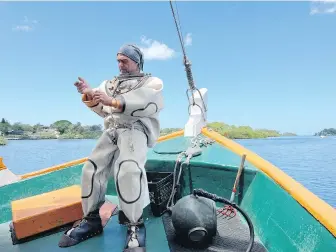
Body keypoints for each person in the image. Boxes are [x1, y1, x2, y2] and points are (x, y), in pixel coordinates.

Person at [58, 44, 164, 252]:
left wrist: (113, 100)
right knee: (91, 169)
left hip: (134, 131)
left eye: (124, 60)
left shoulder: (152, 82)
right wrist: (90, 94)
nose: (120, 65)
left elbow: (147, 102)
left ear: (137, 62)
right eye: (118, 60)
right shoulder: (109, 84)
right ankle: (91, 220)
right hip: (112, 130)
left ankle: (134, 225)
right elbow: (104, 110)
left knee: (128, 170)